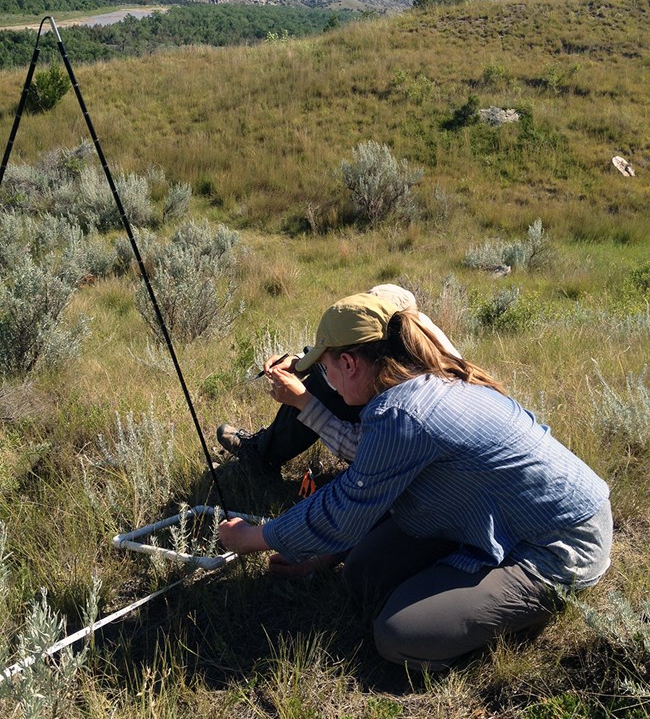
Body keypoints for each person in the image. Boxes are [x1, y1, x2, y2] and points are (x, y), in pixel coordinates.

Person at [219, 292, 612, 670]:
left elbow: (346, 507)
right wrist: (324, 551)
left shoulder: (403, 412)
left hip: (558, 544)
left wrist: (253, 537)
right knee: (362, 576)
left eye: (326, 367)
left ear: (350, 364)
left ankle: (519, 607)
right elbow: (375, 479)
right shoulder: (419, 382)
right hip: (491, 514)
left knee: (399, 634)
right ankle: (465, 573)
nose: (327, 379)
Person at [215, 284, 460, 478]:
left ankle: (261, 455)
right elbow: (343, 352)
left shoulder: (407, 399)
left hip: (423, 499)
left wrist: (304, 401)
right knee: (327, 378)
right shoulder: (415, 340)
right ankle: (262, 452)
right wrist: (301, 362)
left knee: (326, 384)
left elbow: (363, 448)